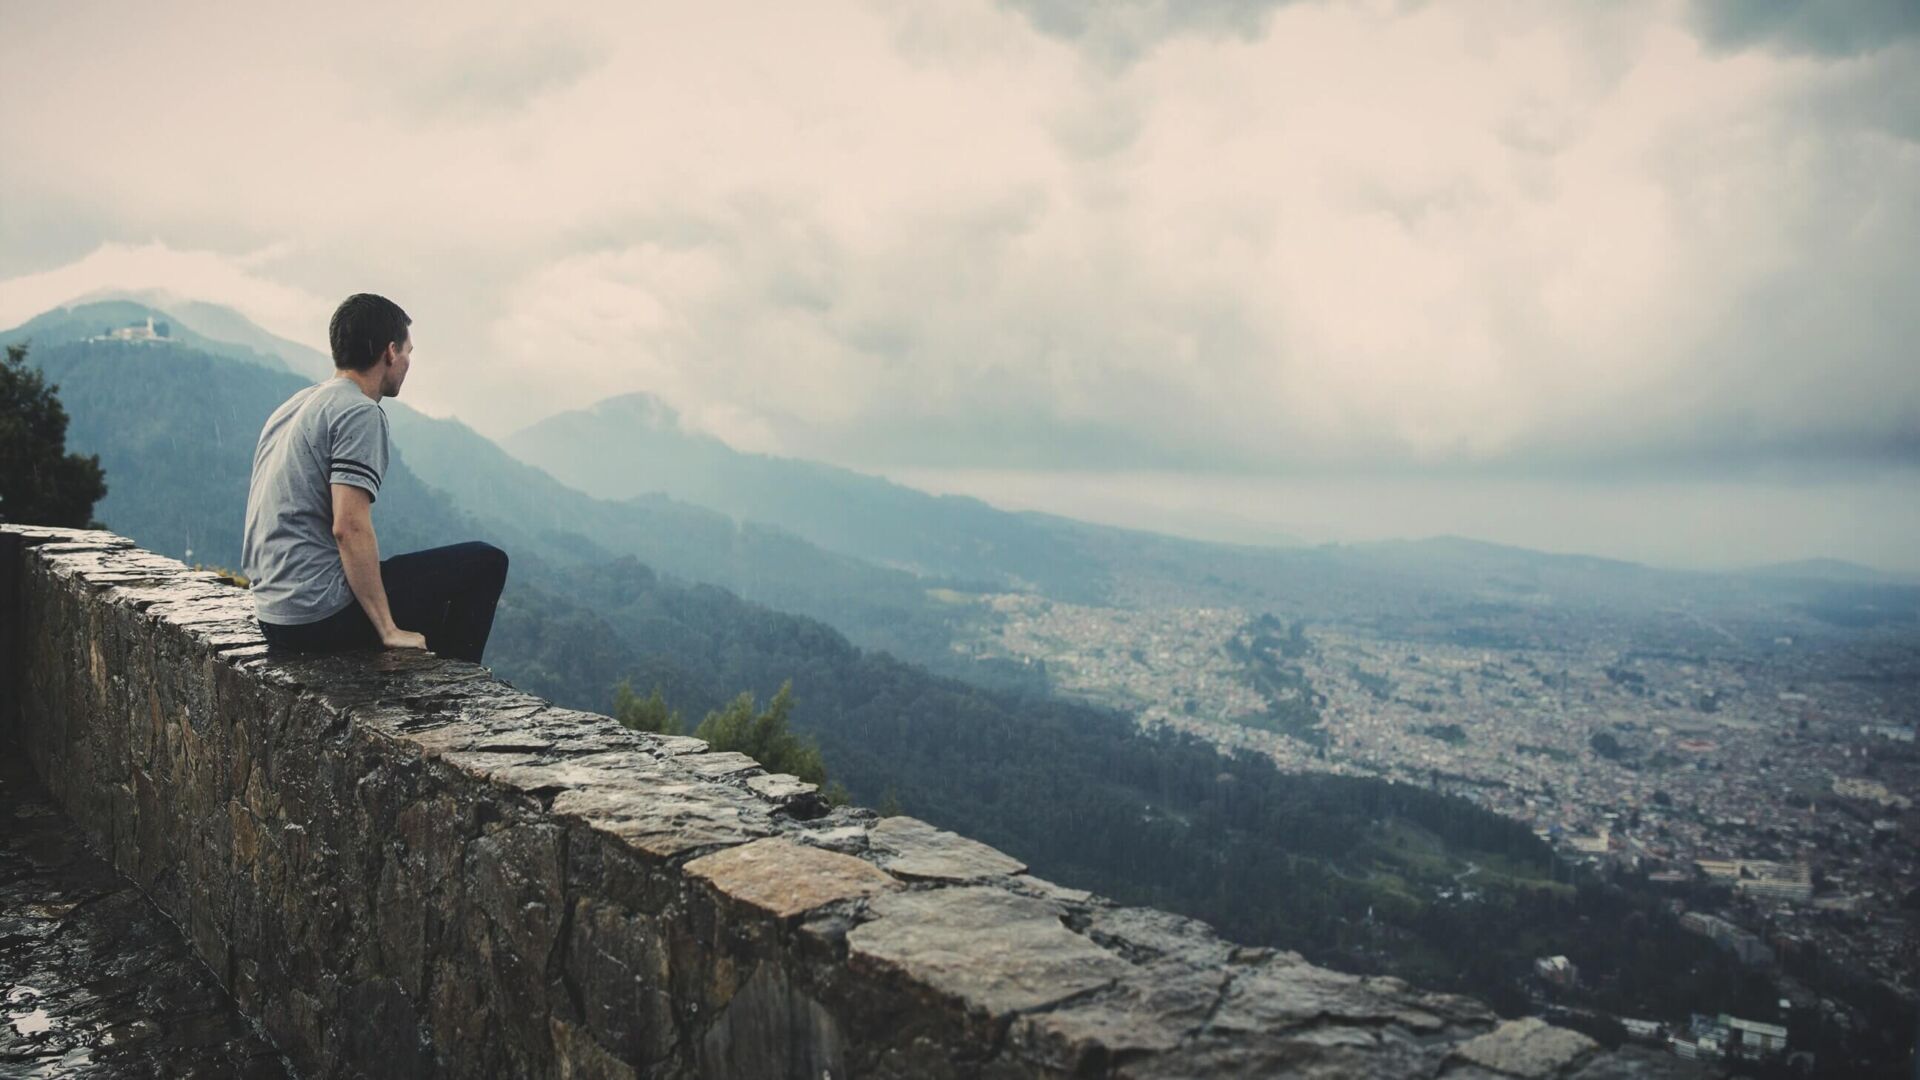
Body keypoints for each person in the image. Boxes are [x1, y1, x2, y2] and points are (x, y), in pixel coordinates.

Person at [242, 293, 508, 663]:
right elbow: (348, 527)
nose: (409, 363)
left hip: (274, 613)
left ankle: (431, 675)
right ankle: (458, 690)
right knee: (486, 562)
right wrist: (388, 629)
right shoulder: (359, 411)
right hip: (316, 616)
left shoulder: (296, 405)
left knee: (424, 596)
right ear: (390, 352)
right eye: (409, 352)